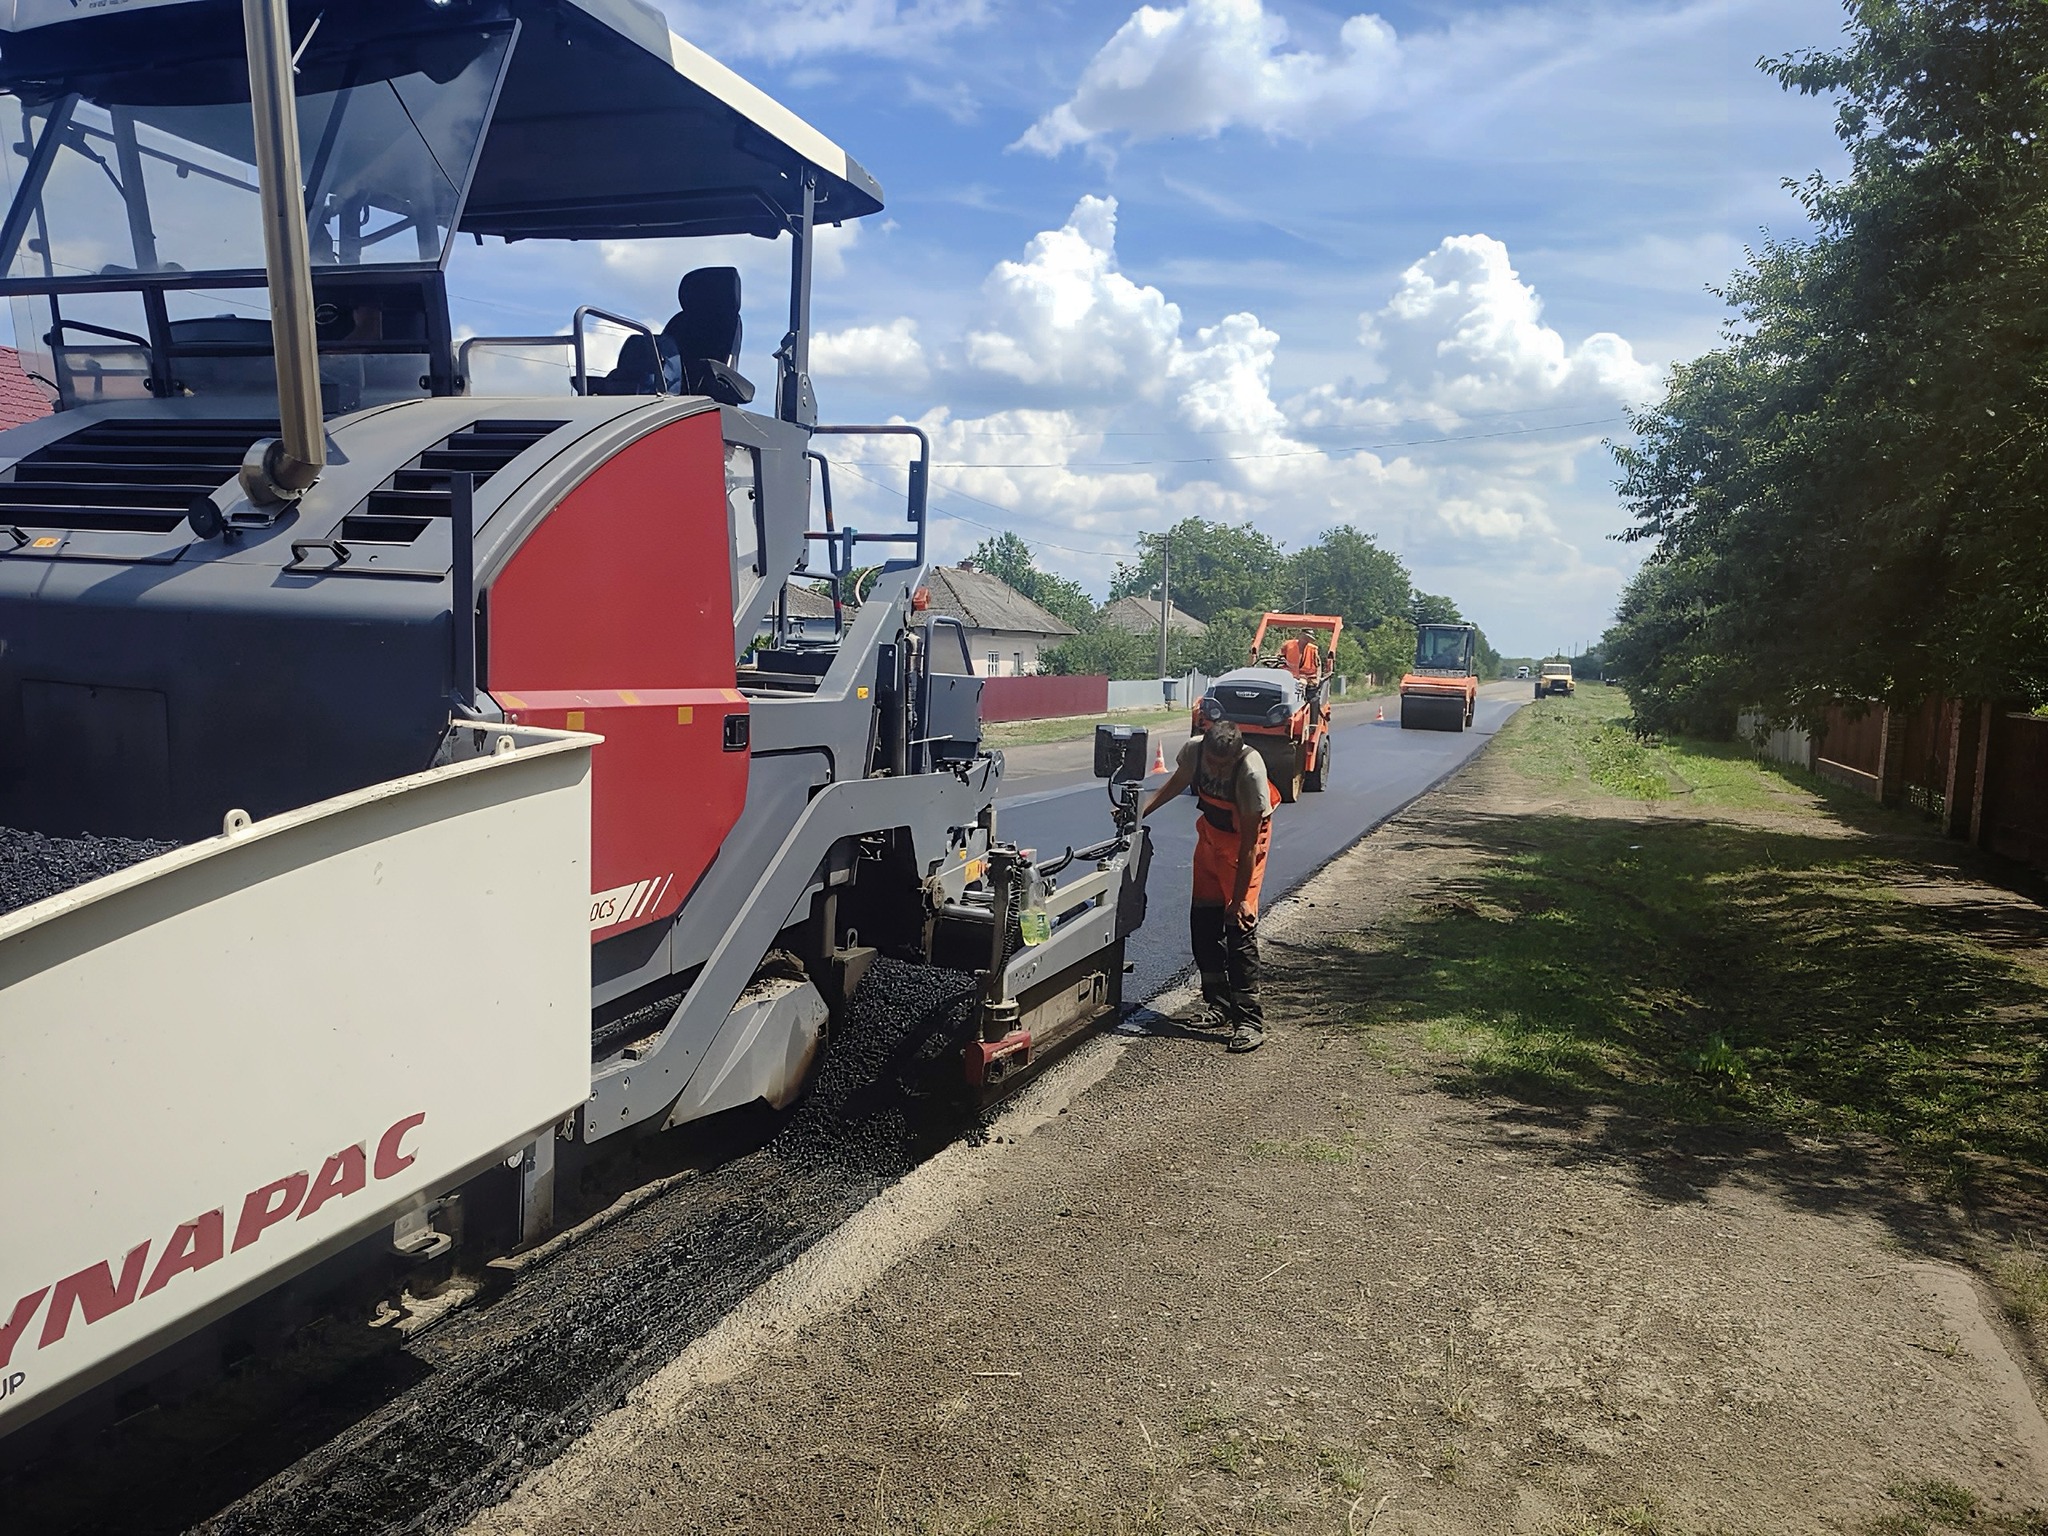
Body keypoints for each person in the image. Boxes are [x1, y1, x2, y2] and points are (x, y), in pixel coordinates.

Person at [1141, 719, 1280, 1052]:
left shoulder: (1249, 773)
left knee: (1238, 927)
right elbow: (1178, 781)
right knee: (1203, 922)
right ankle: (1218, 1006)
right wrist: (1142, 811)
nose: (1216, 770)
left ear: (1235, 755)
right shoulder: (1194, 750)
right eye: (1212, 763)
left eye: (1223, 764)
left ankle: (1248, 1021)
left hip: (1242, 848)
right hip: (1210, 839)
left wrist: (1241, 899)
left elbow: (1248, 844)